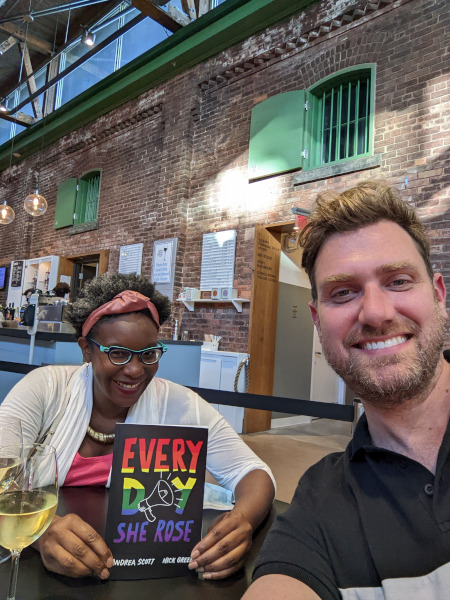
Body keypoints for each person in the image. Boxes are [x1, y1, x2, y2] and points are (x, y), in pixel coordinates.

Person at [243, 181, 449, 600]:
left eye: (399, 281)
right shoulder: (319, 507)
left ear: (440, 295)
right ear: (318, 321)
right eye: (343, 292)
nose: (375, 313)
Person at [0, 273, 275, 581]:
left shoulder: (177, 402)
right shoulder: (47, 390)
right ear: (86, 349)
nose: (134, 370)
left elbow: (252, 472)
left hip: (142, 573)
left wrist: (242, 521)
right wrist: (41, 534)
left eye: (148, 354)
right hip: (33, 570)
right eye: (117, 353)